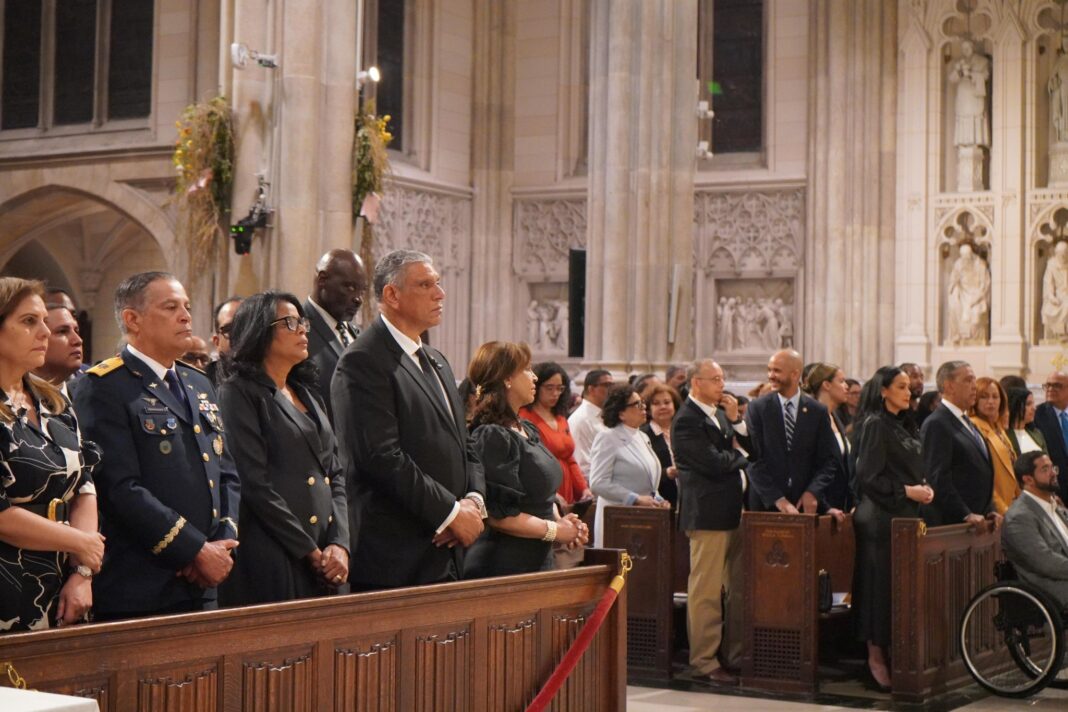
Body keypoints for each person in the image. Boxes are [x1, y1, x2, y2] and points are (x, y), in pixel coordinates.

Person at [72, 272, 240, 619]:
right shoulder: (104, 386)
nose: (186, 316)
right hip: (144, 579)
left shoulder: (199, 383)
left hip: (206, 578)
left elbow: (226, 472)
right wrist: (193, 550)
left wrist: (221, 545)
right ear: (132, 319)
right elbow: (120, 487)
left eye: (187, 307)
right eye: (171, 307)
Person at [331, 250, 486, 589]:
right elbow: (380, 457)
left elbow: (465, 444)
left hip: (451, 548)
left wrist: (473, 502)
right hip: (399, 552)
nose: (440, 293)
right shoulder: (363, 361)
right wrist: (448, 512)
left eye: (439, 283)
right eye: (426, 284)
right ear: (392, 295)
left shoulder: (437, 360)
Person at [216, 292, 350, 604]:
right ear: (259, 330)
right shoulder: (238, 393)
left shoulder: (307, 394)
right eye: (290, 322)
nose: (303, 329)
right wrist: (309, 550)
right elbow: (254, 483)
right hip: (275, 553)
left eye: (302, 321)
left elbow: (336, 473)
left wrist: (340, 543)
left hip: (328, 557)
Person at [0, 278, 105, 633]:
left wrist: (82, 572)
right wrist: (80, 542)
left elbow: (84, 483)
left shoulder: (54, 401)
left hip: (65, 583)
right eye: (29, 321)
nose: (44, 332)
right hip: (8, 586)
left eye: (45, 321)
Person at [463, 342, 586, 578]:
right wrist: (556, 531)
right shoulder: (492, 435)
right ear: (507, 378)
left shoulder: (526, 428)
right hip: (504, 563)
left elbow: (541, 492)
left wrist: (564, 522)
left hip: (537, 557)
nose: (534, 378)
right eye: (527, 370)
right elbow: (501, 517)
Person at [851, 366, 934, 690]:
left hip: (903, 515)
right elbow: (868, 476)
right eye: (900, 386)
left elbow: (907, 466)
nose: (908, 392)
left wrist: (923, 487)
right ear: (883, 391)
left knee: (898, 589)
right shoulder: (875, 425)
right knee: (877, 588)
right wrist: (906, 491)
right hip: (880, 517)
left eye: (908, 387)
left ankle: (896, 650)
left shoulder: (905, 424)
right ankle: (875, 655)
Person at [674, 359, 751, 686]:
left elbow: (752, 450)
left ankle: (733, 654)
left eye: (722, 378)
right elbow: (715, 463)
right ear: (696, 383)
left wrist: (736, 423)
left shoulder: (720, 414)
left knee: (737, 588)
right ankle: (703, 660)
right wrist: (741, 459)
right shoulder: (686, 421)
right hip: (706, 514)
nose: (722, 384)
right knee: (705, 590)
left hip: (733, 511)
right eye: (715, 379)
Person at [744, 349, 839, 514]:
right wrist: (778, 500)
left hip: (804, 505)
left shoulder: (817, 411)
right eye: (769, 369)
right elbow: (753, 460)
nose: (771, 375)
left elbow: (828, 460)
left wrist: (812, 492)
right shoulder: (757, 408)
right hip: (766, 505)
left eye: (777, 370)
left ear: (795, 374)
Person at [588, 385, 669, 547]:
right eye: (637, 404)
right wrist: (635, 498)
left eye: (643, 403)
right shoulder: (608, 437)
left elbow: (647, 478)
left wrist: (657, 499)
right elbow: (598, 483)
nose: (644, 407)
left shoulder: (642, 436)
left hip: (642, 518)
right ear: (621, 413)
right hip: (617, 518)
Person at [920, 360, 995, 527]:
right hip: (954, 523)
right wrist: (965, 513)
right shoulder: (937, 423)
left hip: (979, 521)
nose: (974, 386)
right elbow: (937, 478)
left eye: (974, 380)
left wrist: (990, 510)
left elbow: (981, 473)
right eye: (968, 380)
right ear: (949, 386)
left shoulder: (967, 421)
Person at [304, 249, 368, 419]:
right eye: (350, 287)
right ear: (322, 280)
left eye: (362, 291)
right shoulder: (299, 330)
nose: (358, 299)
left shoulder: (357, 336)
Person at [1001, 452, 1068, 612]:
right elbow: (1045, 562)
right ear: (1028, 479)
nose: (1053, 473)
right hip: (1052, 587)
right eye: (1045, 469)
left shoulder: (1055, 506)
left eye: (1053, 467)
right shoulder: (1019, 516)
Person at [519, 362, 591, 508]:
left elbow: (569, 458)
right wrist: (551, 494)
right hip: (543, 489)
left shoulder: (560, 417)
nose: (555, 394)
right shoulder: (524, 417)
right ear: (537, 386)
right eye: (549, 388)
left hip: (567, 487)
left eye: (560, 389)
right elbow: (528, 464)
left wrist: (584, 489)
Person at [803, 363, 852, 513]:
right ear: (826, 385)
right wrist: (825, 506)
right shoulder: (810, 417)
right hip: (818, 506)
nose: (847, 386)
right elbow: (808, 468)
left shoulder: (834, 416)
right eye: (841, 381)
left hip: (839, 503)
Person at [969, 377, 1021, 515]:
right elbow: (981, 476)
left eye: (995, 397)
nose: (991, 402)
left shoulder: (998, 427)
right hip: (995, 507)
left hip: (1013, 501)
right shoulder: (974, 425)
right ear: (975, 400)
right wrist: (1001, 508)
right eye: (984, 397)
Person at [33, 298, 85, 396]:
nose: (78, 340)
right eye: (62, 331)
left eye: (77, 331)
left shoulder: (90, 390)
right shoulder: (13, 398)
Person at [567, 369, 614, 476]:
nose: (611, 390)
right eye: (607, 385)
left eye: (612, 385)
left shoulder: (604, 414)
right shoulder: (581, 419)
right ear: (591, 389)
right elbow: (582, 465)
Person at [641, 384, 681, 508]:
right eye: (656, 403)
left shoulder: (682, 430)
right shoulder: (643, 434)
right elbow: (642, 472)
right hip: (659, 500)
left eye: (667, 402)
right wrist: (666, 473)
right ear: (648, 409)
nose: (663, 406)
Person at [1033, 371, 1068, 504]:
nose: (1051, 389)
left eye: (1057, 386)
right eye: (1048, 385)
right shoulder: (1037, 416)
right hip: (1055, 491)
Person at [207, 297, 242, 385]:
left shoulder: (275, 380)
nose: (241, 334)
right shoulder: (201, 383)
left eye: (248, 326)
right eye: (230, 329)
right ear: (217, 341)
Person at [1005, 387, 1046, 457]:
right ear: (1015, 406)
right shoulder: (1004, 435)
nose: (1034, 408)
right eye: (1028, 404)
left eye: (1033, 403)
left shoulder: (1036, 433)